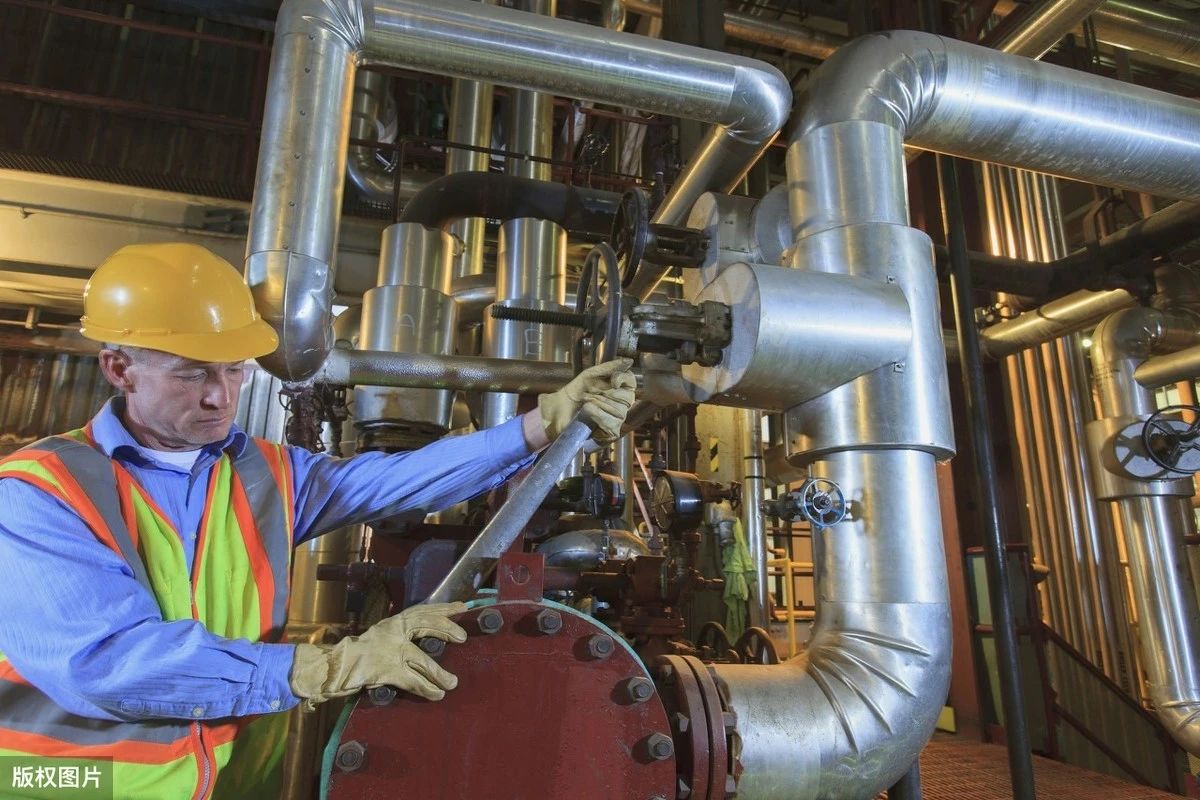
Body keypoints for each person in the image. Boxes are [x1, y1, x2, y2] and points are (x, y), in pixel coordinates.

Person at [0, 243, 637, 799]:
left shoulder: (263, 473)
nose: (221, 395)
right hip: (75, 783)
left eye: (233, 369)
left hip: (228, 783)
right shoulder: (39, 492)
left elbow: (393, 480)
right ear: (119, 369)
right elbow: (107, 662)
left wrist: (540, 426)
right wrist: (324, 668)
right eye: (193, 374)